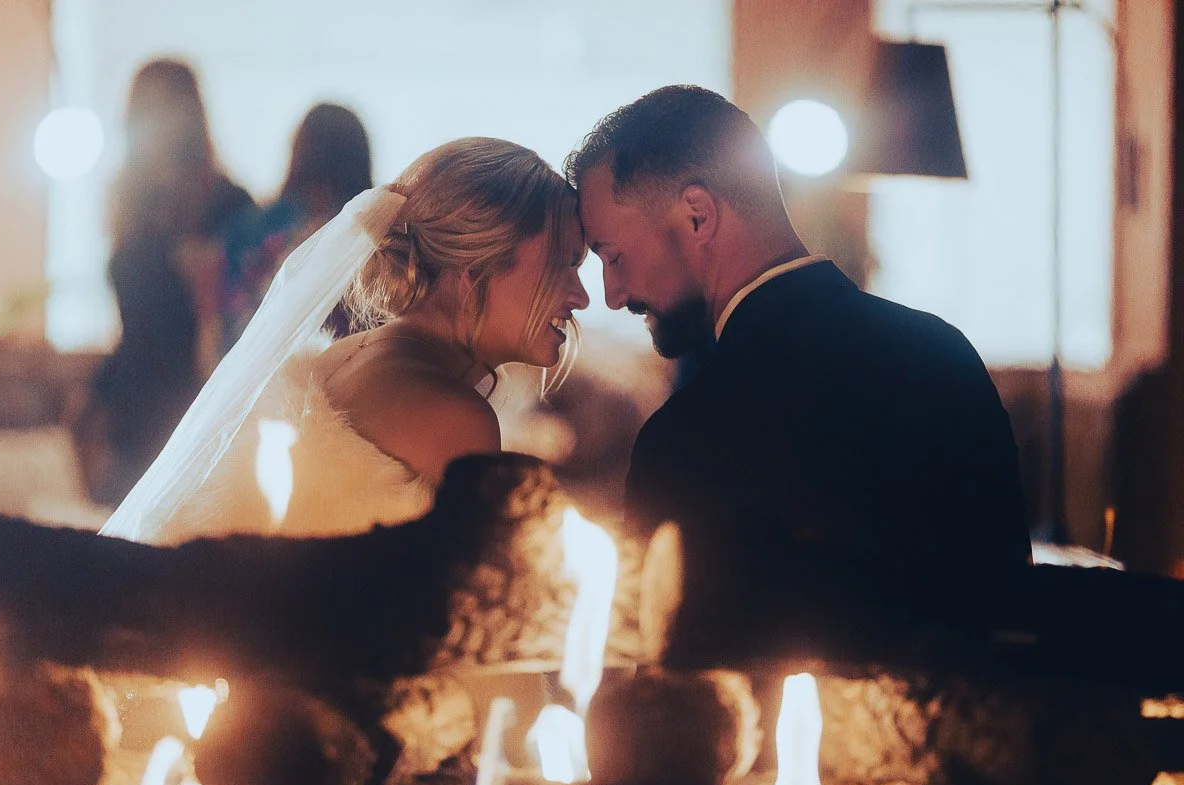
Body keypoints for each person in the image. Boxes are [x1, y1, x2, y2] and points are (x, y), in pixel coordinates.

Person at [566, 85, 1030, 576]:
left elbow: (665, 644)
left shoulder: (687, 438)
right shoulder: (944, 354)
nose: (613, 295)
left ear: (697, 216)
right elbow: (1013, 597)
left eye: (613, 257)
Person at [101, 137, 588, 544]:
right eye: (561, 264)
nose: (581, 296)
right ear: (473, 269)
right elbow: (469, 623)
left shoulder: (341, 358)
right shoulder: (459, 422)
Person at [75, 58, 254, 506]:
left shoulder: (226, 203)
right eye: (143, 108)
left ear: (189, 115)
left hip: (193, 401)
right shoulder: (129, 197)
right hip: (132, 404)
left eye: (164, 107)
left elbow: (242, 327)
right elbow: (133, 327)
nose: (152, 121)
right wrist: (92, 400)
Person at [223, 103, 374, 349]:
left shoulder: (252, 229)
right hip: (352, 368)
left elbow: (230, 310)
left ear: (298, 153)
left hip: (256, 366)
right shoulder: (376, 236)